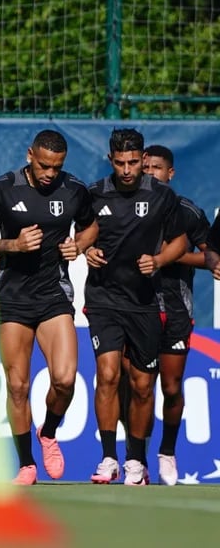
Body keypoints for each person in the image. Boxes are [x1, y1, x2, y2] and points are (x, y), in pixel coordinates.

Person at [0, 129, 98, 485]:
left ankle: (48, 432)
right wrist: (13, 245)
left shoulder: (74, 189)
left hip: (54, 295)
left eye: (57, 167)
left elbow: (92, 226)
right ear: (30, 154)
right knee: (17, 386)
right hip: (14, 297)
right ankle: (27, 464)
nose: (50, 173)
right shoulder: (3, 189)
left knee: (64, 379)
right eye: (45, 165)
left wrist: (77, 245)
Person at [84, 128, 185, 486]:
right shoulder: (94, 193)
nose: (126, 169)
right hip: (103, 299)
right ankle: (109, 457)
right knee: (108, 374)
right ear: (110, 160)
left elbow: (180, 241)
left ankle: (136, 461)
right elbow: (85, 232)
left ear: (143, 160)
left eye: (133, 162)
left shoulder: (162, 196)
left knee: (143, 386)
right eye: (119, 162)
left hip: (145, 302)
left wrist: (158, 260)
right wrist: (86, 249)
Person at [140, 144, 209, 486]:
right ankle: (135, 460)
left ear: (170, 173)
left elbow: (210, 258)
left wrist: (170, 255)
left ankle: (167, 452)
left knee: (170, 387)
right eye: (146, 166)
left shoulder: (187, 211)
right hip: (136, 307)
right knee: (136, 387)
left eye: (157, 168)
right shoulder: (129, 207)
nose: (150, 172)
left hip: (177, 310)